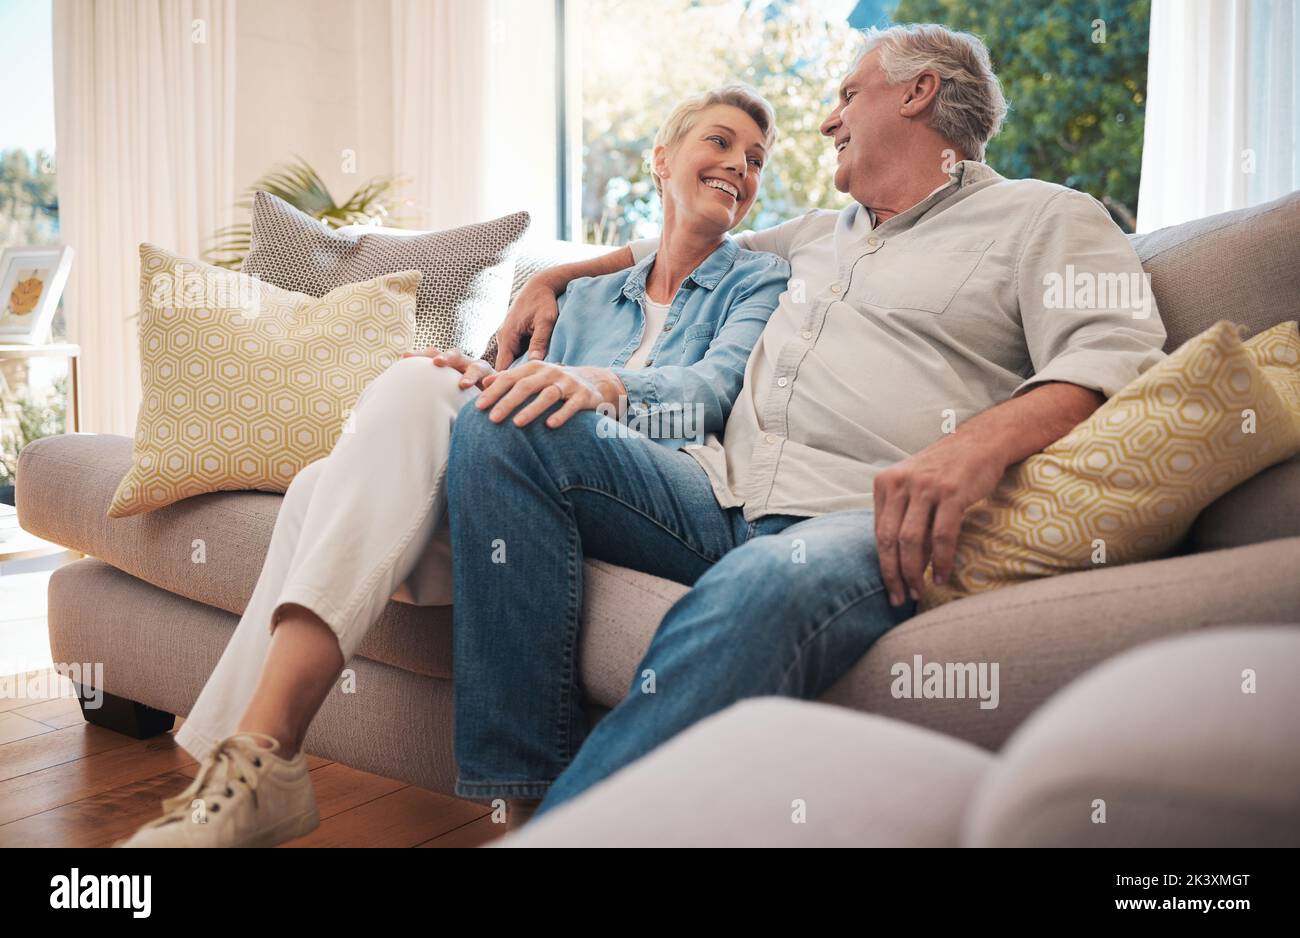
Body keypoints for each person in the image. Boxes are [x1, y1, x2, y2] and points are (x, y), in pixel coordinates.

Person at [453, 22, 1168, 825]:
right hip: (712, 498)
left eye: (846, 96)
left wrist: (975, 443)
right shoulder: (812, 238)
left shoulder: (1043, 216)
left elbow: (1120, 353)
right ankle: (521, 792)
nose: (829, 121)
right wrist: (548, 277)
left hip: (853, 514)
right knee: (506, 420)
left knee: (761, 580)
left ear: (918, 90)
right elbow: (682, 240)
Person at [115, 84, 790, 847]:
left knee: (391, 450)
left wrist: (598, 386)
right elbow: (516, 400)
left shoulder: (758, 278)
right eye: (722, 142)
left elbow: (707, 394)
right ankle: (249, 770)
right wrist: (469, 370)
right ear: (663, 159)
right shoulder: (589, 295)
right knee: (351, 451)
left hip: (653, 488)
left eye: (757, 159)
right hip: (530, 499)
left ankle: (247, 773)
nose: (740, 165)